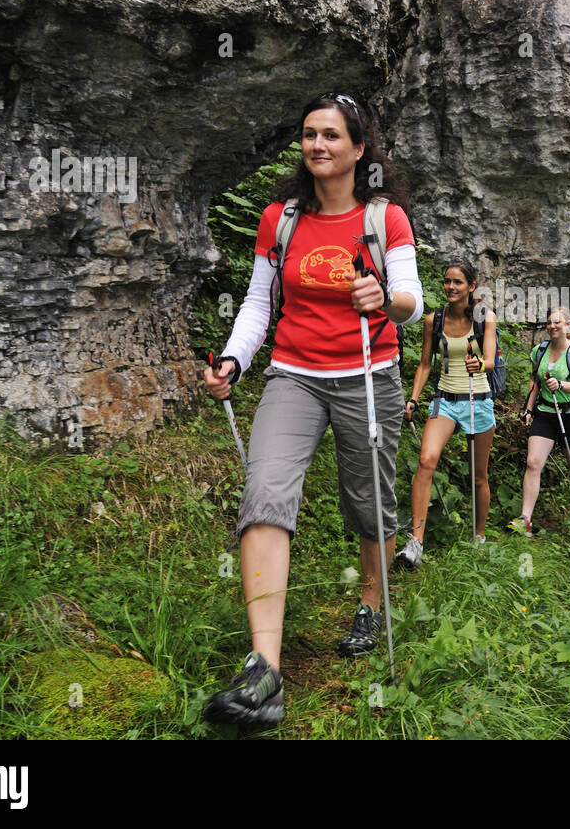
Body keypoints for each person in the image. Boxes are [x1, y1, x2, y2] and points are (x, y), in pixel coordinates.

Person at [201, 92, 423, 727]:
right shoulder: (281, 219)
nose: (318, 145)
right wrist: (234, 361)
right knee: (265, 491)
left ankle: (373, 603)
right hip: (293, 376)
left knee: (369, 502)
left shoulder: (386, 221)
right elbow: (257, 303)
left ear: (359, 148)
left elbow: (414, 301)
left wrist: (384, 298)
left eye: (332, 135)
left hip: (367, 374)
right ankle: (264, 671)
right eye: (308, 134)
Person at [399, 262, 497, 566]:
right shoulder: (434, 319)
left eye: (457, 282)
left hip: (478, 399)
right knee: (426, 461)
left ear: (471, 286)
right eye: (447, 282)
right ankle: (415, 542)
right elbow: (425, 364)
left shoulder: (485, 318)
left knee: (479, 476)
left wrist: (478, 364)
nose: (450, 287)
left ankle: (479, 537)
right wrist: (413, 399)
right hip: (446, 400)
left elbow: (491, 360)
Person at [515, 306, 570, 535]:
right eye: (549, 322)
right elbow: (535, 381)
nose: (552, 326)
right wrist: (528, 410)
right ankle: (525, 519)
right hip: (546, 412)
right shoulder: (540, 351)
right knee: (532, 462)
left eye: (557, 322)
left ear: (568, 324)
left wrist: (561, 385)